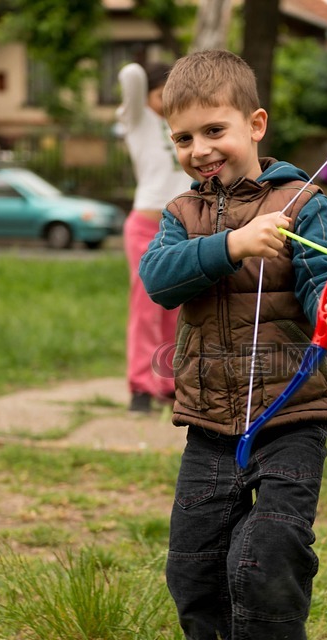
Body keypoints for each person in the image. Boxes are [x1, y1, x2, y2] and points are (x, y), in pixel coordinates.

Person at [139, 50, 327, 640]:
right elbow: (161, 279)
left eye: (216, 130)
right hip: (211, 421)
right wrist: (235, 243)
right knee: (195, 567)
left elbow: (325, 286)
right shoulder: (181, 213)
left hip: (293, 412)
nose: (200, 149)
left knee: (266, 551)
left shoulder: (305, 203)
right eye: (184, 137)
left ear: (256, 124)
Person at [117, 61, 191, 412]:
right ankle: (140, 387)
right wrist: (149, 67)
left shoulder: (185, 125)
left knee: (175, 307)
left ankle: (169, 382)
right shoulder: (138, 121)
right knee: (146, 306)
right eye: (162, 93)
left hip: (180, 228)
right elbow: (130, 76)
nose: (167, 99)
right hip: (145, 226)